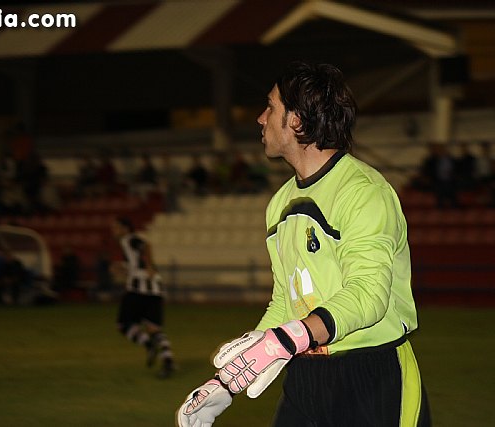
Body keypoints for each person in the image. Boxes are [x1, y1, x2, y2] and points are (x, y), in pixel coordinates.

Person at [177, 61, 430, 426]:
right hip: (306, 378)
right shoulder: (279, 204)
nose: (261, 118)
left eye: (271, 108)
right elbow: (285, 302)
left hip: (373, 376)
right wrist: (227, 382)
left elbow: (369, 294)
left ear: (296, 121)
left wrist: (291, 337)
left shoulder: (363, 192)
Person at [111, 216, 174, 378]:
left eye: (116, 227)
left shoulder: (128, 239)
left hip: (138, 289)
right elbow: (136, 262)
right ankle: (168, 362)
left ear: (125, 228)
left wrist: (149, 265)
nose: (114, 231)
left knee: (123, 325)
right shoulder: (128, 244)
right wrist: (123, 268)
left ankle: (148, 344)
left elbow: (146, 246)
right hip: (155, 289)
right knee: (155, 329)